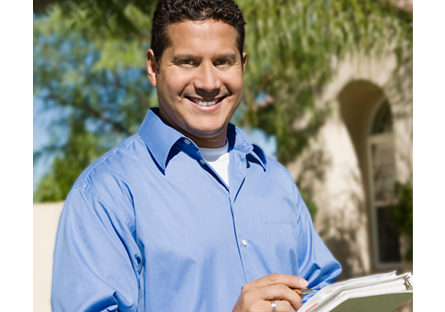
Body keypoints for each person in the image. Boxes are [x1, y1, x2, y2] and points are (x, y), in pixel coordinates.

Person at [51, 0, 342, 311]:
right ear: (153, 67)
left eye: (223, 62)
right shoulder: (105, 193)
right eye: (188, 62)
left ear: (242, 64)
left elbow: (320, 290)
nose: (208, 83)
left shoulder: (274, 179)